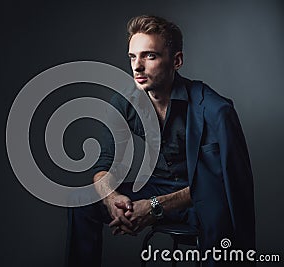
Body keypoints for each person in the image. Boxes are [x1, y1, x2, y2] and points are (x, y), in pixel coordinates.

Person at [66, 15, 255, 267]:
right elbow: (104, 165)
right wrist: (111, 199)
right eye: (133, 57)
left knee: (217, 210)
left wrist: (154, 206)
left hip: (201, 198)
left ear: (176, 61)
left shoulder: (215, 110)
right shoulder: (124, 103)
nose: (137, 67)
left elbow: (226, 187)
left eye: (150, 56)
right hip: (158, 187)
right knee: (83, 199)